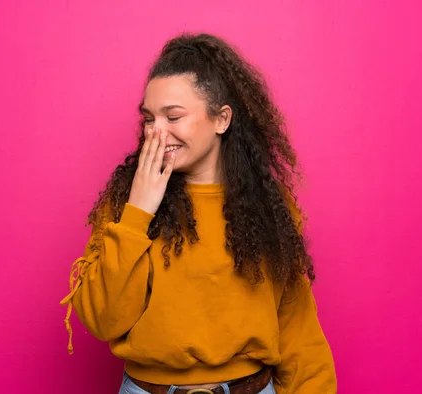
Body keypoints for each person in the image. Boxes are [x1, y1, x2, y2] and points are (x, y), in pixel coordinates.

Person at [60, 33, 337, 394]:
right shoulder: (126, 203)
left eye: (173, 116)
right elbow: (102, 319)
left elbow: (297, 326)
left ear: (221, 119)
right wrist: (138, 212)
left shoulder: (268, 206)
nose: (156, 133)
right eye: (149, 119)